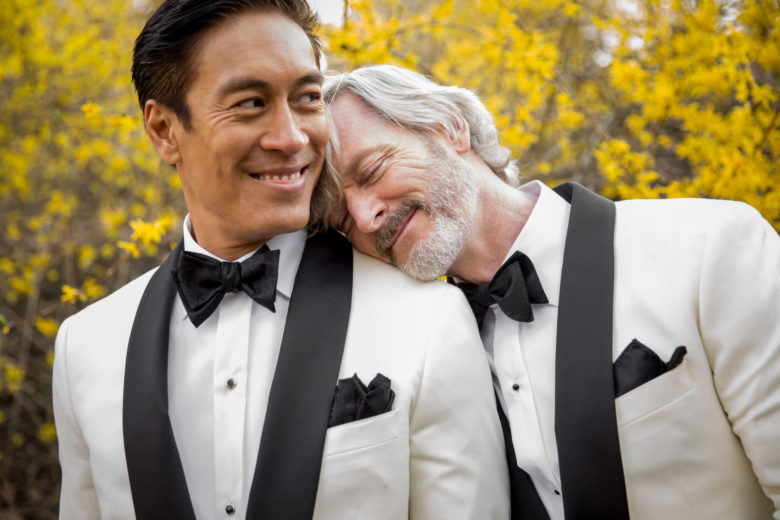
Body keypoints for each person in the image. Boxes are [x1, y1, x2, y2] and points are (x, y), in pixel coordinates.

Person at [52, 4, 510, 519]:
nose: (292, 137)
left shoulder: (428, 319)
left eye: (308, 98)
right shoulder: (83, 347)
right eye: (250, 103)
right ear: (164, 130)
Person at [320, 64, 780, 519]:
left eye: (373, 169)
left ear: (450, 129)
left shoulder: (711, 244)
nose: (364, 217)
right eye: (343, 220)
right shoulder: (422, 354)